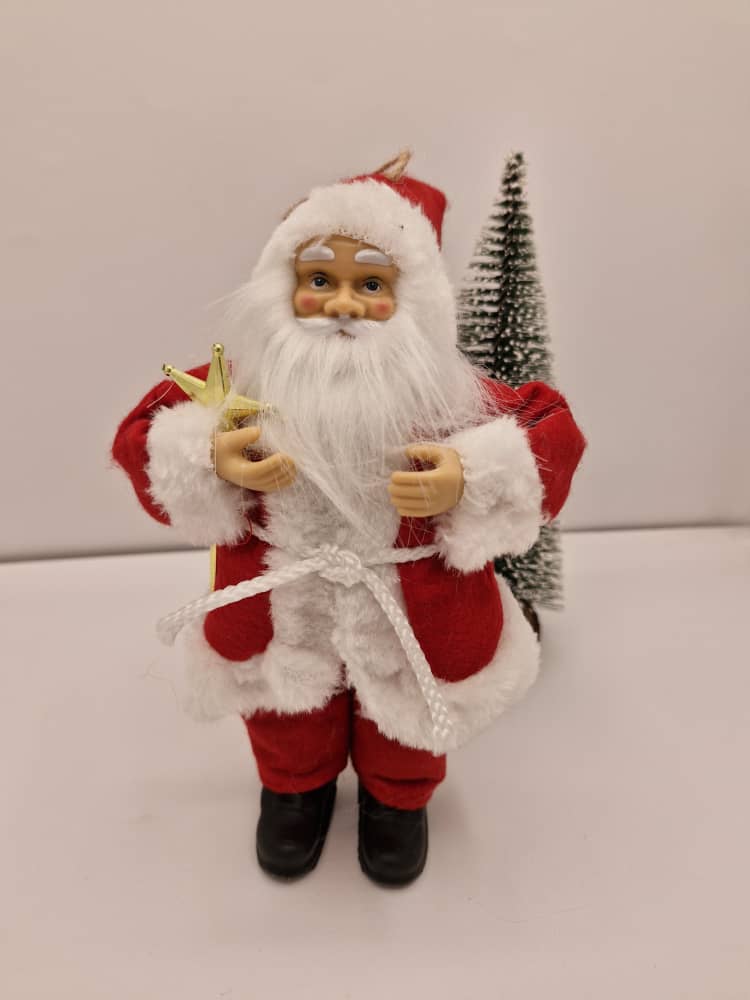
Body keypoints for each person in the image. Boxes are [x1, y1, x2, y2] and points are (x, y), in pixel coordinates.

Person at [112, 155, 586, 886]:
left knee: (407, 714)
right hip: (280, 604)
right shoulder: (242, 385)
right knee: (283, 705)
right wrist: (211, 455)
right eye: (319, 280)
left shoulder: (450, 397)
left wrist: (470, 475)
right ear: (284, 286)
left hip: (413, 610)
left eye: (370, 284)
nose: (341, 305)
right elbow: (146, 433)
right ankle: (292, 790)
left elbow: (549, 433)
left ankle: (398, 800)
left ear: (412, 297)